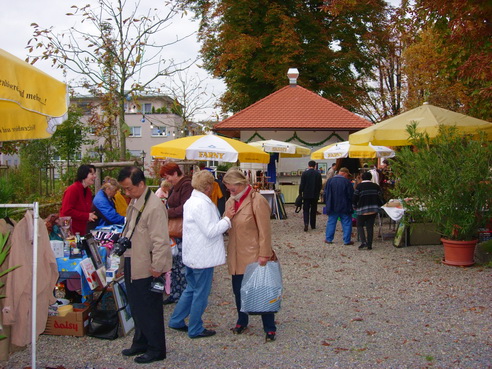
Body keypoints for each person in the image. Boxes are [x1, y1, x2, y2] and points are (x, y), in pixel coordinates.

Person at [168, 170, 235, 338]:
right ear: (208, 187)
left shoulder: (192, 201)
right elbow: (211, 230)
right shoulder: (202, 204)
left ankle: (176, 320)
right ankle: (195, 328)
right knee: (201, 293)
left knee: (191, 289)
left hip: (192, 254)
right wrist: (227, 219)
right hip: (202, 256)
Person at [118, 166, 171, 364]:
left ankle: (156, 348)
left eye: (129, 188)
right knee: (137, 305)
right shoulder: (137, 201)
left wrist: (157, 266)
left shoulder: (154, 206)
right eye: (124, 189)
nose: (126, 192)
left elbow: (161, 241)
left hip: (147, 265)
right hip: (134, 259)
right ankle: (140, 341)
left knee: (149, 308)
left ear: (141, 184)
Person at [222, 168, 277, 342]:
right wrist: (226, 216)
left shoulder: (257, 201)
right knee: (238, 291)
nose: (230, 192)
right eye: (228, 189)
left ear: (242, 184)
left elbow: (265, 231)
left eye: (233, 189)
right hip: (236, 254)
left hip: (254, 254)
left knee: (261, 291)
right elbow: (225, 225)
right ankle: (242, 320)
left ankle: (269, 327)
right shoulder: (231, 201)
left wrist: (264, 254)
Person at [160, 162, 193, 304]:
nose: (167, 180)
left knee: (181, 264)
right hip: (177, 230)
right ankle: (176, 292)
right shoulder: (177, 186)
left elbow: (185, 208)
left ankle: (182, 294)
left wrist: (166, 212)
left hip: (182, 230)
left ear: (175, 173)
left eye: (167, 176)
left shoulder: (186, 186)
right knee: (176, 264)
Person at [59, 164, 97, 235]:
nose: (94, 176)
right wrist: (86, 216)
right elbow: (67, 210)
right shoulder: (72, 190)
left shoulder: (88, 191)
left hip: (81, 229)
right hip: (69, 230)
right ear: (84, 175)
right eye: (92, 174)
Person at [353, 171, 384, 250]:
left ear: (362, 178)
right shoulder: (376, 186)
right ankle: (370, 244)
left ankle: (363, 241)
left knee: (359, 225)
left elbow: (355, 197)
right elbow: (381, 196)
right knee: (370, 226)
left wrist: (354, 206)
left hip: (362, 208)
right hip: (373, 209)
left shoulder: (359, 186)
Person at [324, 167, 355, 245]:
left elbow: (326, 194)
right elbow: (351, 195)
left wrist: (327, 203)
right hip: (345, 206)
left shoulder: (330, 181)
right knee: (347, 222)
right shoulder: (347, 182)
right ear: (344, 173)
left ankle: (328, 239)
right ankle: (346, 240)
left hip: (332, 205)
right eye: (347, 175)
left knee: (331, 222)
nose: (348, 176)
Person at [299, 160, 322, 232]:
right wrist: (318, 192)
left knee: (306, 210)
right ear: (315, 166)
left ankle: (306, 223)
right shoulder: (318, 174)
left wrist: (300, 193)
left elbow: (302, 185)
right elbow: (320, 185)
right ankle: (313, 224)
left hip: (306, 195)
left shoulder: (305, 173)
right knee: (313, 210)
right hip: (315, 195)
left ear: (308, 165)